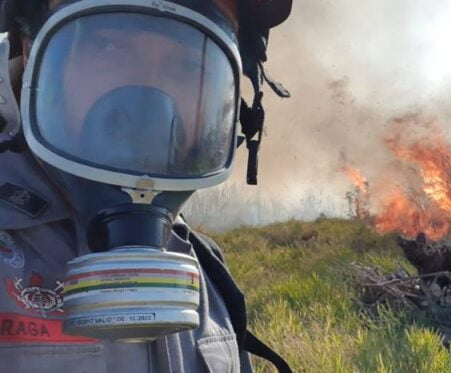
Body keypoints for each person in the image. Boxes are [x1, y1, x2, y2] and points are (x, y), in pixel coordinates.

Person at [0, 0, 292, 372]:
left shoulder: (202, 264)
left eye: (187, 65)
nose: (146, 93)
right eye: (106, 46)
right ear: (29, 53)